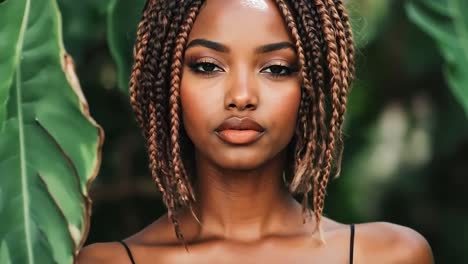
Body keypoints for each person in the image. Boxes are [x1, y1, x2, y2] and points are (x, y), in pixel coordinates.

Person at [78, 0, 434, 263]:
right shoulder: (111, 262)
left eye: (276, 69)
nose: (241, 97)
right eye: (207, 66)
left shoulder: (389, 255)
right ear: (167, 84)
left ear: (308, 89)